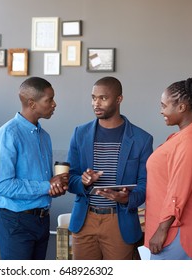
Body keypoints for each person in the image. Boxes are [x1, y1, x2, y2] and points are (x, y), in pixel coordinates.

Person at [66, 76, 153, 260]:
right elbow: (70, 178)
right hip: (85, 220)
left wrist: (128, 198)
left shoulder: (142, 139)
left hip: (119, 222)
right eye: (93, 97)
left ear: (119, 99)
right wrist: (83, 181)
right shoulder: (79, 133)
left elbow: (145, 184)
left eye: (103, 98)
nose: (96, 103)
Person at [0, 77, 69, 260]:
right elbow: (2, 185)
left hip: (41, 219)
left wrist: (53, 189)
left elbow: (42, 182)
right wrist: (46, 186)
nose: (54, 104)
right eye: (49, 100)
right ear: (32, 103)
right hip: (15, 222)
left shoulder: (44, 137)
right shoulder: (8, 134)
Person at [144, 77, 192, 260]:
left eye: (164, 106)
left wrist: (162, 230)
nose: (161, 110)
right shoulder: (187, 135)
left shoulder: (191, 140)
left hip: (182, 232)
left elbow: (178, 189)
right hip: (178, 227)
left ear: (181, 107)